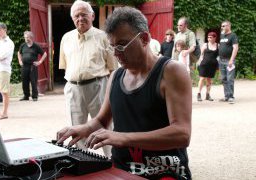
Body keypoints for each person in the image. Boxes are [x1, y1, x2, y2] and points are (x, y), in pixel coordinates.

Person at [57, 7, 192, 179]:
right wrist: (82, 129)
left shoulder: (171, 72)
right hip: (121, 168)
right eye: (112, 46)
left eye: (121, 45)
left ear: (144, 39)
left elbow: (182, 134)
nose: (115, 53)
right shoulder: (116, 76)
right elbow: (101, 120)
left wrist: (123, 138)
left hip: (164, 169)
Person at [59, 0, 116, 156]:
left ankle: (111, 160)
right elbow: (65, 66)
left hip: (98, 87)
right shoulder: (66, 38)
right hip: (73, 88)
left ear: (92, 16)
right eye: (76, 16)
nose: (80, 18)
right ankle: (82, 161)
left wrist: (113, 93)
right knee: (76, 127)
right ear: (72, 19)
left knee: (104, 126)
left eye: (84, 14)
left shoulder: (103, 37)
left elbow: (112, 68)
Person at [18, 31, 47, 101]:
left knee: (33, 81)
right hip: (24, 66)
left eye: (27, 37)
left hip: (32, 66)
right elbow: (19, 53)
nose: (25, 39)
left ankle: (34, 96)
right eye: (25, 37)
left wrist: (40, 62)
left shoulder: (36, 46)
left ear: (31, 37)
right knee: (24, 81)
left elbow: (44, 54)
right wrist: (20, 61)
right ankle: (26, 96)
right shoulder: (23, 45)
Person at [219, 20, 239, 104]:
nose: (222, 27)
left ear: (228, 26)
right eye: (222, 26)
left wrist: (231, 59)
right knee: (223, 79)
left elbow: (235, 48)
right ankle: (226, 96)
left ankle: (231, 96)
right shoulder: (222, 35)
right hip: (221, 60)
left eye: (224, 26)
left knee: (230, 78)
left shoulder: (233, 35)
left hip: (229, 61)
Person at [197, 32, 219, 101]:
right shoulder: (205, 45)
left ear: (215, 38)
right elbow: (201, 55)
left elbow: (220, 56)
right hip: (204, 64)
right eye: (208, 37)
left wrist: (218, 65)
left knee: (209, 80)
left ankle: (208, 94)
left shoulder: (218, 45)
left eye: (211, 37)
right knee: (202, 79)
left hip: (213, 65)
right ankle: (199, 94)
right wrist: (199, 63)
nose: (209, 39)